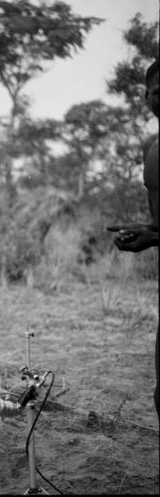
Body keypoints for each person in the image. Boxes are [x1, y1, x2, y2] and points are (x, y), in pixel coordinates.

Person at [106, 58, 159, 419]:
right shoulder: (151, 149)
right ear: (146, 95)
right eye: (159, 90)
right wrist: (145, 233)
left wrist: (154, 237)